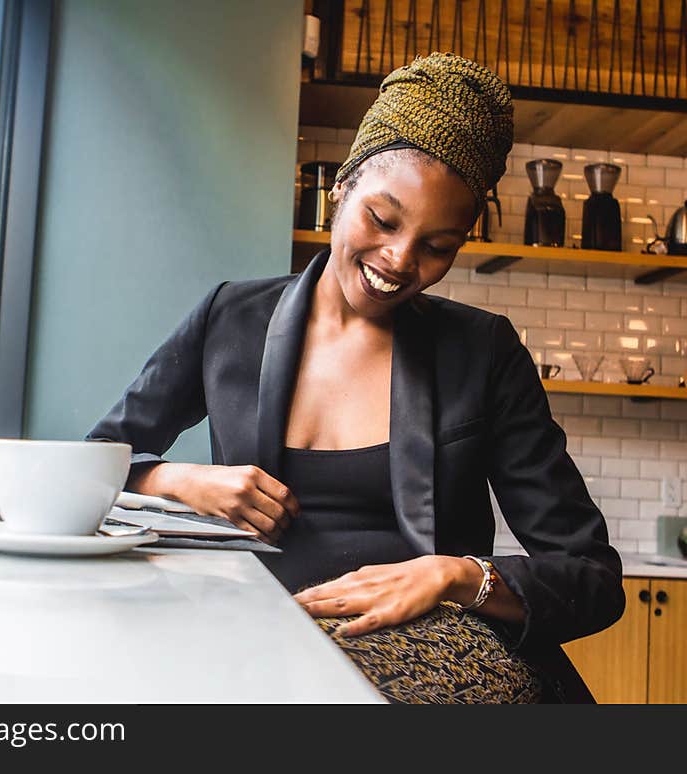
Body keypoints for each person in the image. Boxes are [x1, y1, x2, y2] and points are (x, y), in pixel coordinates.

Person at [87, 51, 625, 703]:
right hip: (264, 655)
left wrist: (455, 576)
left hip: (445, 664)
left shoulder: (484, 351)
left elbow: (592, 578)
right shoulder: (229, 317)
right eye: (383, 218)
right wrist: (178, 479)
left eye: (438, 246)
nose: (400, 260)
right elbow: (96, 465)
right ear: (342, 187)